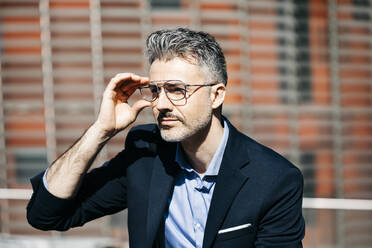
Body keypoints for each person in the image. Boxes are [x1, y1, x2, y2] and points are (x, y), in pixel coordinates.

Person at [27, 28, 305, 248]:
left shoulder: (274, 179)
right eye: (156, 90)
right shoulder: (146, 155)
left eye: (176, 90)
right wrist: (101, 131)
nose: (161, 104)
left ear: (216, 95)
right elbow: (46, 215)